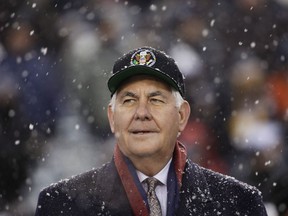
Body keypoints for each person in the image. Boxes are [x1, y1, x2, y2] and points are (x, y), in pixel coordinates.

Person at [35, 47, 267, 216]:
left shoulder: (239, 203)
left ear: (181, 116)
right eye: (129, 100)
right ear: (112, 118)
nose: (141, 112)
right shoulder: (60, 204)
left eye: (156, 100)